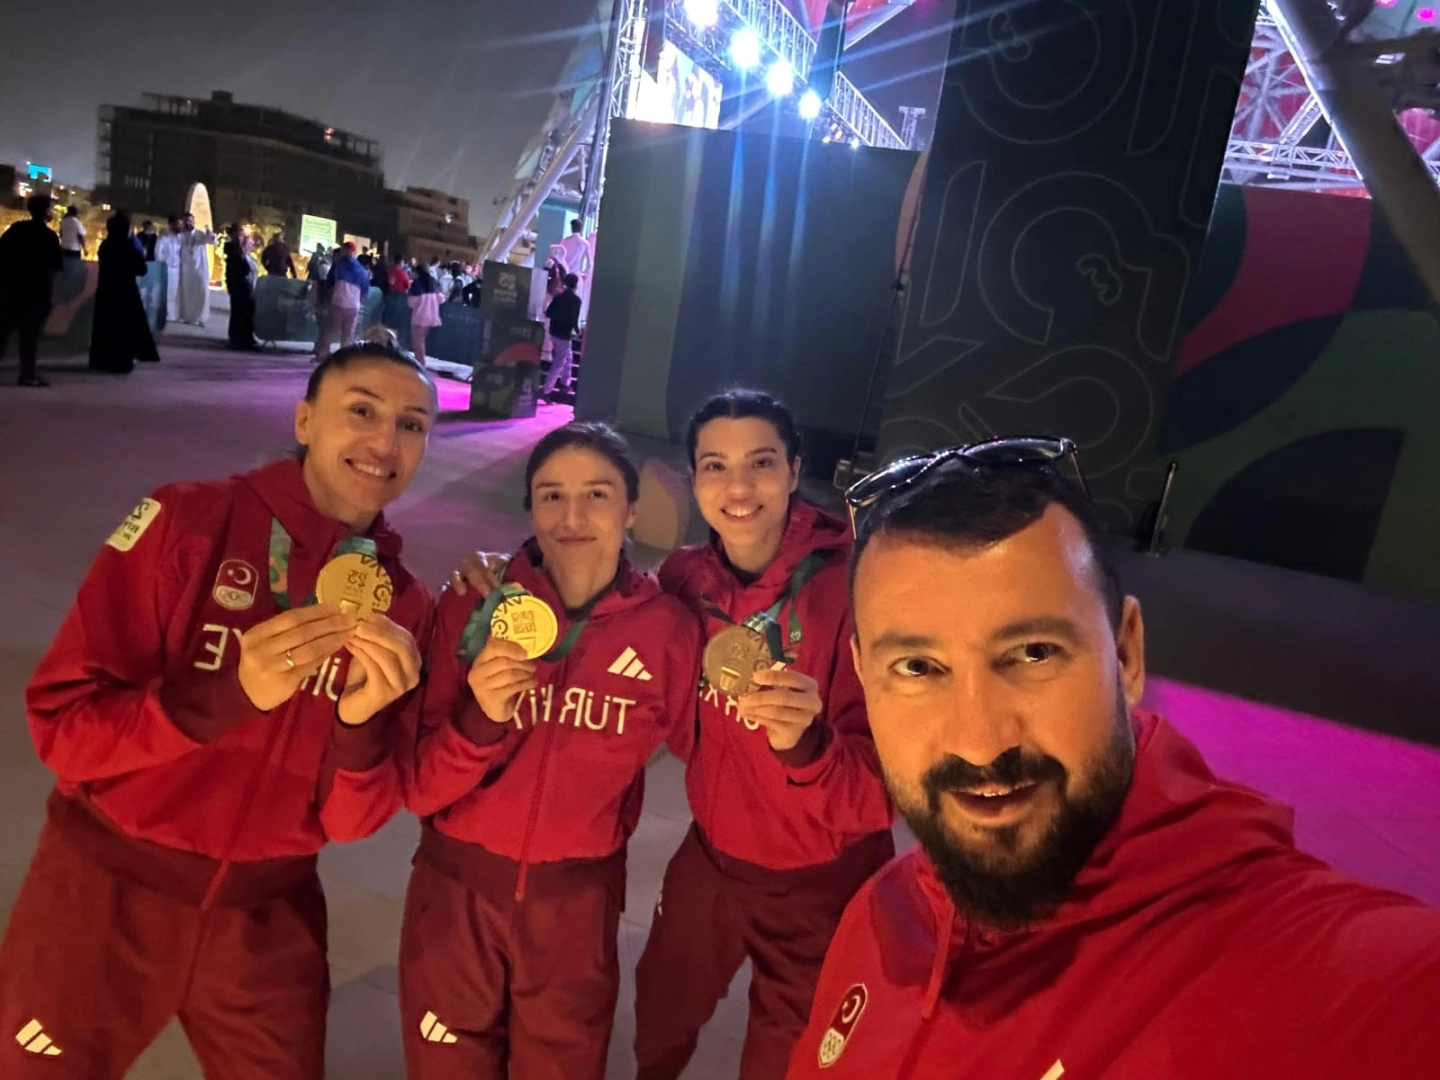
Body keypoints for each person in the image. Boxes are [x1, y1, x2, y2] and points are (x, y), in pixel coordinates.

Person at [782, 440, 1440, 1079]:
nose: (979, 743)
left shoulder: (1307, 969)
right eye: (918, 667)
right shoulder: (882, 914)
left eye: (1034, 653)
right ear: (864, 675)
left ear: (1126, 655)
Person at [0, 339, 437, 1079]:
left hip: (269, 914)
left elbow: (348, 823)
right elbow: (64, 730)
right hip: (106, 893)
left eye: (412, 424)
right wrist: (230, 696)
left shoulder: (403, 607)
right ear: (305, 420)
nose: (385, 442)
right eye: (362, 411)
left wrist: (359, 726)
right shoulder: (187, 521)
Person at [401, 422, 704, 1080]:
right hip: (456, 895)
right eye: (551, 496)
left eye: (597, 495)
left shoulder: (667, 632)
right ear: (530, 509)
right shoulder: (476, 605)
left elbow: (710, 755)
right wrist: (481, 717)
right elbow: (420, 789)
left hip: (576, 906)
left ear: (631, 510)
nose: (572, 517)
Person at [628, 390, 892, 1079]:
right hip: (714, 855)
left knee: (789, 1059)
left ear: (795, 468)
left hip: (824, 880)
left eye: (762, 462)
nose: (738, 487)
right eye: (715, 465)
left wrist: (806, 744)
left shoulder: (861, 589)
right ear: (694, 479)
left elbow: (884, 793)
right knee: (659, 1016)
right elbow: (616, 625)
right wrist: (513, 576)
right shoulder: (685, 577)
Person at [0, 194, 64, 388]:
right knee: (29, 337)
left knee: (3, 331)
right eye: (51, 208)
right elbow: (52, 270)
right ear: (46, 211)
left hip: (10, 288)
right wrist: (51, 295)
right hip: (37, 292)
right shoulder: (49, 237)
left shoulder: (16, 229)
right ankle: (27, 375)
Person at [89, 212, 159, 374]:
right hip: (125, 291)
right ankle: (120, 362)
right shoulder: (128, 247)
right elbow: (141, 269)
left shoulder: (105, 246)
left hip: (106, 291)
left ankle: (101, 360)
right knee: (123, 326)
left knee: (105, 325)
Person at [316, 242, 369, 359]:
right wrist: (358, 300)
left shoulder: (338, 265)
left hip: (338, 302)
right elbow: (365, 290)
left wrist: (330, 296)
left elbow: (329, 283)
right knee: (348, 334)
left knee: (330, 330)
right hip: (353, 305)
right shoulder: (362, 270)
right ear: (354, 252)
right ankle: (345, 358)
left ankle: (323, 354)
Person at [540, 272, 582, 403]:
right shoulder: (576, 300)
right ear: (576, 285)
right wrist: (577, 330)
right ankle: (546, 390)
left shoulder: (558, 297)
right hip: (564, 334)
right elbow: (574, 319)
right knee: (559, 362)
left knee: (568, 356)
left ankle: (565, 383)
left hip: (554, 331)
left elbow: (548, 313)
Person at [176, 212, 216, 326]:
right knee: (187, 294)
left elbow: (211, 240)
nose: (188, 223)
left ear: (194, 222)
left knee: (201, 292)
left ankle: (200, 317)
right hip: (186, 270)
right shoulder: (181, 235)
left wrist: (210, 233)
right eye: (185, 221)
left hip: (199, 269)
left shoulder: (199, 234)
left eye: (190, 220)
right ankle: (188, 317)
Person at [225, 225, 260, 351]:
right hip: (240, 287)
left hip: (248, 287)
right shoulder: (235, 252)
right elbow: (241, 270)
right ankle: (238, 339)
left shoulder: (247, 255)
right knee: (239, 313)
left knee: (247, 313)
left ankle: (246, 338)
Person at [407, 263, 444, 366]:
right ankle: (420, 362)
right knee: (422, 341)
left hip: (419, 316)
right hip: (432, 316)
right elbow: (441, 299)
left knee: (417, 342)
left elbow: (411, 303)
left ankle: (420, 364)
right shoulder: (434, 282)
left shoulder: (416, 284)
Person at [155, 217, 182, 322]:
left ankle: (172, 314)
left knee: (173, 292)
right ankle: (163, 313)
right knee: (165, 292)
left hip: (176, 268)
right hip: (166, 267)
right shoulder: (164, 237)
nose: (179, 226)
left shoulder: (179, 238)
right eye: (177, 224)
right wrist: (161, 265)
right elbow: (158, 252)